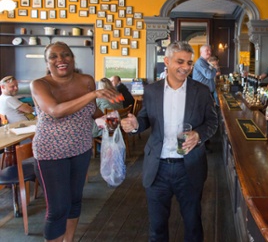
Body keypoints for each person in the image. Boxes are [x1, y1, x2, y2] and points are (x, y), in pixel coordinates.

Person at [121, 41, 218, 241]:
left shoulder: (201, 91)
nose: (186, 67)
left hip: (189, 166)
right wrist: (135, 125)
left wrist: (199, 135)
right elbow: (145, 118)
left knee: (193, 226)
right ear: (166, 61)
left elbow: (212, 122)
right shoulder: (152, 91)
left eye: (189, 63)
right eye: (180, 61)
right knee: (157, 229)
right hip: (158, 168)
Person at [30, 42, 121, 242]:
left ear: (73, 58)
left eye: (66, 54)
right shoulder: (39, 84)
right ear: (47, 62)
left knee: (75, 201)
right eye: (54, 56)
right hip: (50, 153)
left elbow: (93, 111)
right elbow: (55, 110)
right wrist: (94, 94)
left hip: (81, 149)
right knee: (58, 208)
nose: (60, 60)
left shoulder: (86, 81)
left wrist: (111, 121)